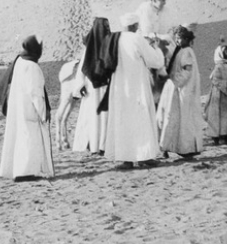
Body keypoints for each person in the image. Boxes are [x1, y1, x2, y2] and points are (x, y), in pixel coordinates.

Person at [103, 13, 165, 169]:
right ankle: (144, 157)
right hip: (137, 87)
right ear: (136, 25)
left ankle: (126, 159)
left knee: (123, 121)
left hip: (119, 89)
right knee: (140, 119)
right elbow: (155, 61)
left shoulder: (114, 40)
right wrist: (155, 47)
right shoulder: (137, 39)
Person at [0, 35, 54, 181]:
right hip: (29, 110)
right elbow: (36, 93)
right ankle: (26, 173)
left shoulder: (20, 61)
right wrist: (43, 112)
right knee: (30, 140)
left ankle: (21, 171)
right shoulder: (32, 67)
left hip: (18, 108)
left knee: (21, 139)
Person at [156, 25, 205, 159]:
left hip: (183, 90)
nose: (177, 41)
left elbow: (187, 71)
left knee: (181, 119)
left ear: (186, 39)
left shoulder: (187, 52)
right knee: (174, 118)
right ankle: (169, 147)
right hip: (179, 89)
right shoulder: (182, 51)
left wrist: (174, 80)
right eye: (176, 39)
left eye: (180, 39)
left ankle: (184, 148)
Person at [71, 17, 114, 155]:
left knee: (104, 116)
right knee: (93, 116)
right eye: (104, 27)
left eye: (108, 26)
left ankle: (103, 145)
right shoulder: (89, 48)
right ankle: (94, 145)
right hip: (92, 87)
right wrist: (80, 85)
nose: (106, 29)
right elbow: (83, 69)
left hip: (106, 86)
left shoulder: (109, 45)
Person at [136, 0, 175, 103]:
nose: (164, 3)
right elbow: (143, 33)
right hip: (146, 48)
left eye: (165, 0)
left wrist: (167, 37)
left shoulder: (167, 11)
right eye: (162, 0)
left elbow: (170, 30)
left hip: (163, 49)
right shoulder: (144, 9)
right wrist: (160, 38)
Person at [203, 41, 227, 144]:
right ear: (221, 54)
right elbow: (215, 80)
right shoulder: (219, 67)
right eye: (226, 51)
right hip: (219, 95)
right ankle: (216, 137)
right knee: (219, 116)